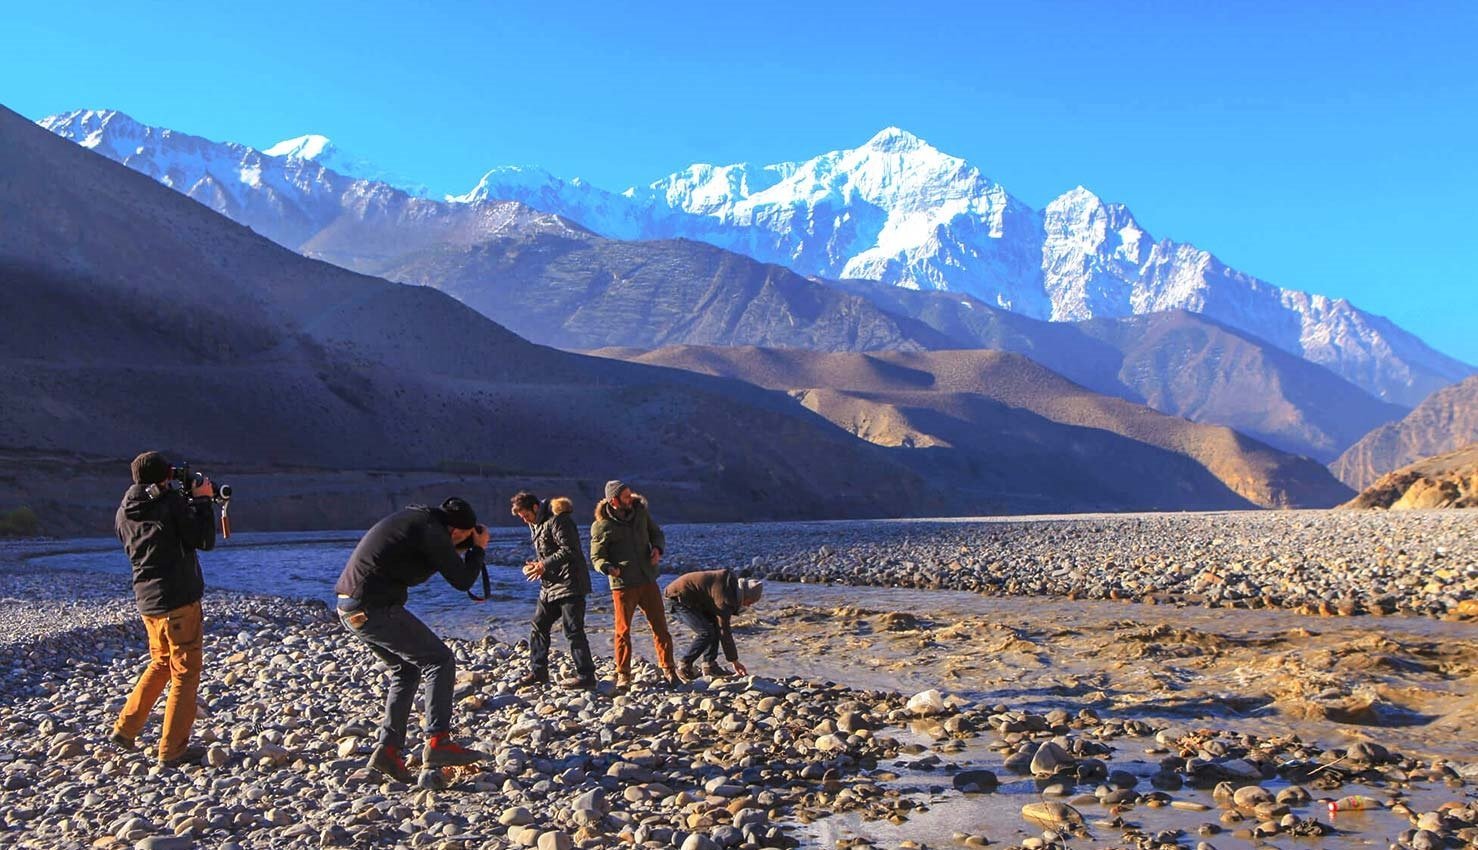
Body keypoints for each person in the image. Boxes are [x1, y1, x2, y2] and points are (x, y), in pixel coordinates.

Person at [334, 498, 489, 781]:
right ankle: (439, 742)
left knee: (405, 671)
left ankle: (388, 752)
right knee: (440, 661)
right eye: (465, 536)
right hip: (373, 607)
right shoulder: (432, 531)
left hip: (350, 607)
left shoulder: (417, 522)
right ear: (457, 531)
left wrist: (464, 547)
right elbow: (463, 580)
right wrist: (477, 550)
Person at [111, 451, 217, 767]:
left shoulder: (123, 511)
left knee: (161, 662)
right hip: (178, 599)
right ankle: (172, 750)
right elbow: (203, 540)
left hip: (147, 601)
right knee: (185, 671)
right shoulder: (169, 504)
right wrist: (202, 502)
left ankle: (126, 729)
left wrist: (185, 502)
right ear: (165, 476)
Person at [590, 480, 677, 691]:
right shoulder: (602, 525)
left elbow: (656, 534)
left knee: (660, 627)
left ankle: (669, 670)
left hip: (648, 579)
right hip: (622, 584)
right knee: (622, 631)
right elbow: (596, 557)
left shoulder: (640, 513)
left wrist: (657, 549)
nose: (630, 499)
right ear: (614, 501)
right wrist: (607, 568)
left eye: (630, 495)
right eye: (626, 496)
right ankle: (623, 674)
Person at [510, 491, 596, 690]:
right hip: (550, 585)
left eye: (526, 515)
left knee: (573, 630)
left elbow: (570, 550)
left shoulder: (559, 520)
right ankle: (538, 672)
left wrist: (543, 565)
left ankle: (586, 676)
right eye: (522, 517)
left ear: (535, 508)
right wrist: (537, 565)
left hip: (571, 583)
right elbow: (549, 552)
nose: (525, 520)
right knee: (539, 625)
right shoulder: (537, 524)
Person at [665, 569, 763, 681]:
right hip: (677, 598)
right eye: (750, 601)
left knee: (713, 626)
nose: (749, 605)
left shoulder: (730, 587)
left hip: (695, 599)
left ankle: (709, 666)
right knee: (706, 632)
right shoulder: (724, 598)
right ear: (744, 595)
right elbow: (724, 632)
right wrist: (734, 661)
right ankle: (684, 665)